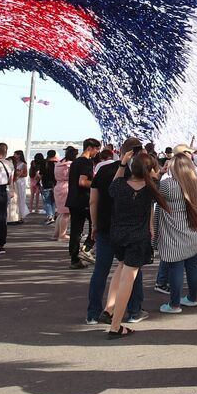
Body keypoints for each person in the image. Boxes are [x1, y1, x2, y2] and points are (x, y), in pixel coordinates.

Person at [105, 152, 170, 337]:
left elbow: (113, 186)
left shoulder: (119, 186)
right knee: (128, 279)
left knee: (120, 269)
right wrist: (160, 170)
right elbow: (155, 177)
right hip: (137, 238)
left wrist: (122, 164)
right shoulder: (151, 188)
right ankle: (115, 325)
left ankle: (109, 309)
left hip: (117, 235)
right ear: (149, 170)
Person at [88, 138, 148, 326]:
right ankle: (133, 310)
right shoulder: (137, 174)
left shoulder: (103, 170)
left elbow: (93, 200)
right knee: (131, 271)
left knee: (101, 270)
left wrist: (94, 224)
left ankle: (93, 312)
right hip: (131, 229)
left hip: (106, 226)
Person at [155, 151, 197, 314]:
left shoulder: (168, 185)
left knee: (175, 266)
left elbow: (155, 193)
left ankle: (174, 304)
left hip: (174, 232)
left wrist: (160, 173)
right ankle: (192, 298)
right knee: (193, 264)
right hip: (195, 229)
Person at [66, 138, 101, 266]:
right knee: (96, 226)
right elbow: (82, 181)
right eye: (97, 149)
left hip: (73, 200)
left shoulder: (75, 162)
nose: (97, 152)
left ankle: (74, 258)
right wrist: (97, 184)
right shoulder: (86, 163)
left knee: (76, 230)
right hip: (84, 200)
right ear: (90, 148)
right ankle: (86, 249)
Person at [53, 145, 75, 242]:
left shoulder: (58, 163)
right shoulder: (70, 165)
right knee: (66, 213)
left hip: (58, 186)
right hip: (66, 187)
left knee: (61, 212)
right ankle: (62, 234)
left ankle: (57, 233)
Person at [9, 150, 30, 224]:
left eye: (16, 154)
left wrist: (18, 174)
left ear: (19, 155)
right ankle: (16, 215)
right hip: (14, 181)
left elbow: (26, 174)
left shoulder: (23, 164)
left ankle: (21, 215)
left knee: (21, 197)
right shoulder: (12, 163)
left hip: (20, 181)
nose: (14, 155)